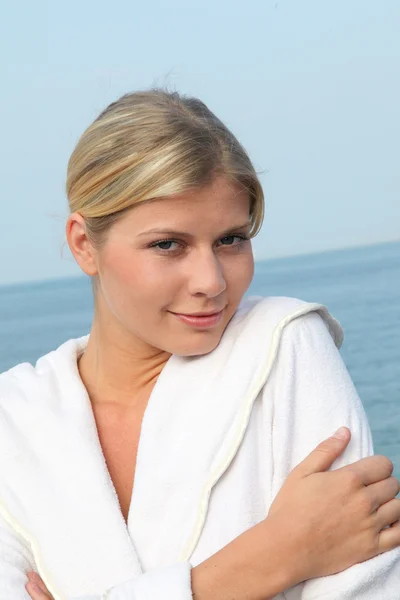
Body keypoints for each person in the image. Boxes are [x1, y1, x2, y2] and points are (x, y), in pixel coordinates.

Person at [0, 89, 399, 600]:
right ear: (84, 244)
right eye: (168, 244)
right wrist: (276, 555)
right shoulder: (15, 422)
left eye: (232, 239)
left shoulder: (284, 345)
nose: (211, 281)